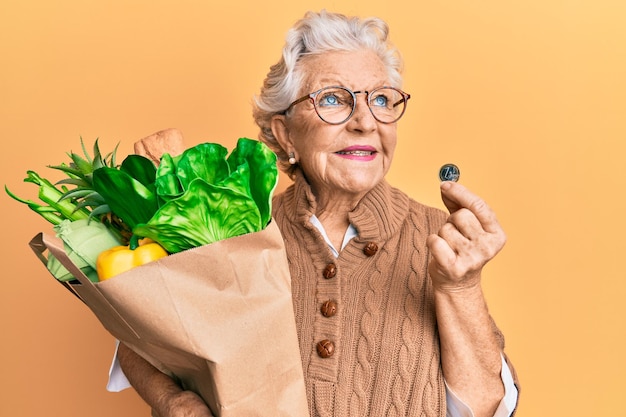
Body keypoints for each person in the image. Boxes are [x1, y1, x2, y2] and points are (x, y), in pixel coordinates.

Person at [113, 10, 519, 417]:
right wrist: (174, 401)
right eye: (332, 99)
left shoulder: (441, 237)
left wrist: (459, 290)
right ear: (285, 133)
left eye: (381, 99)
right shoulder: (236, 228)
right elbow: (140, 337)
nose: (365, 122)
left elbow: (485, 407)